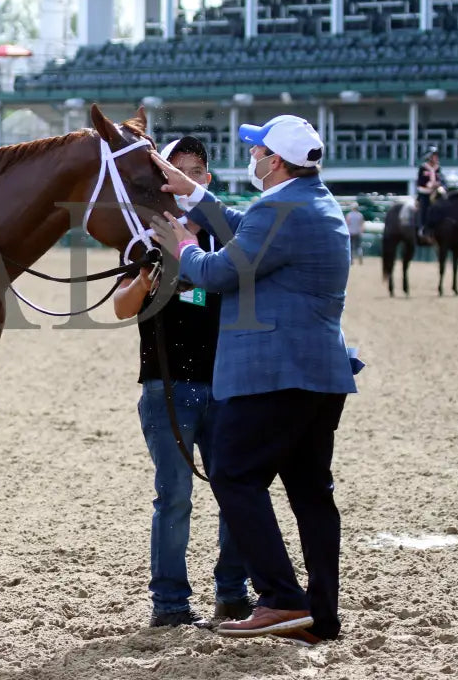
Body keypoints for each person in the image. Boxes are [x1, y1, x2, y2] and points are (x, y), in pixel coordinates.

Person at [148, 114, 361, 646]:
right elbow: (245, 225)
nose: (254, 157)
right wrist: (196, 194)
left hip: (274, 376)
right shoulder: (311, 203)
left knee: (234, 476)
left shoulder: (281, 208)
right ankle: (319, 615)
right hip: (318, 375)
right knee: (311, 494)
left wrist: (183, 248)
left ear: (277, 162)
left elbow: (220, 272)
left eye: (260, 150)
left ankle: (281, 597)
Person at [112, 136, 251, 629]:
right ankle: (170, 605)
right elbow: (121, 307)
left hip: (227, 383)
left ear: (204, 181)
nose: (183, 177)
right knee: (174, 497)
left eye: (194, 169)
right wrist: (149, 277)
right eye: (176, 169)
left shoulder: (228, 237)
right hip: (165, 386)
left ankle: (232, 594)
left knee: (236, 492)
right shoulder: (146, 238)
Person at [416, 148, 446, 244]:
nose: (436, 158)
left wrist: (438, 184)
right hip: (425, 192)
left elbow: (441, 179)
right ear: (429, 157)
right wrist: (428, 185)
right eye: (434, 156)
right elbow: (420, 182)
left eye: (436, 156)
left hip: (436, 191)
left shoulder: (438, 168)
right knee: (424, 206)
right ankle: (422, 227)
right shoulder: (423, 167)